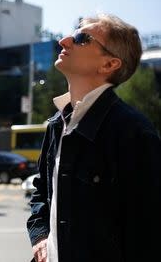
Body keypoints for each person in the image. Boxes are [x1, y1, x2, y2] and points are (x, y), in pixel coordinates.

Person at [27, 14, 161, 262]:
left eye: (81, 38)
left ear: (109, 65)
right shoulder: (57, 125)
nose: (64, 40)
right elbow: (41, 192)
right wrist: (40, 236)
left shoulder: (133, 132)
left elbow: (148, 236)